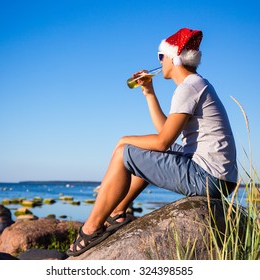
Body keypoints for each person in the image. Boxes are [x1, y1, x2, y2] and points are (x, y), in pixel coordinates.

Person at [67, 27, 238, 256]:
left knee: (123, 152)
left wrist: (122, 141)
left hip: (208, 178)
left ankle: (91, 228)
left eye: (161, 56)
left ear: (174, 57)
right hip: (217, 176)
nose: (159, 61)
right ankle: (118, 210)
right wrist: (148, 92)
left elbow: (162, 143)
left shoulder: (189, 88)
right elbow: (164, 132)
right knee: (137, 150)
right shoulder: (196, 84)